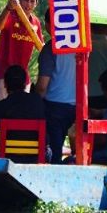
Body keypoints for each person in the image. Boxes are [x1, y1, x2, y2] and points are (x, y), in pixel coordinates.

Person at [0, 65, 46, 162]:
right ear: (24, 83)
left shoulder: (4, 106)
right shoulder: (38, 102)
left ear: (5, 84)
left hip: (9, 158)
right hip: (35, 158)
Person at [36, 9, 77, 164]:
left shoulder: (50, 48)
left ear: (48, 24)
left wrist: (35, 100)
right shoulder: (78, 47)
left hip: (54, 106)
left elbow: (42, 86)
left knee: (55, 150)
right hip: (77, 105)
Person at [0, 0, 42, 99]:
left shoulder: (36, 22)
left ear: (36, 3)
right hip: (4, 73)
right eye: (25, 0)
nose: (28, 4)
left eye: (32, 1)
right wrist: (7, 8)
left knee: (21, 110)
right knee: (4, 109)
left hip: (23, 76)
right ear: (19, 1)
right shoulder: (10, 15)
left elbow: (40, 47)